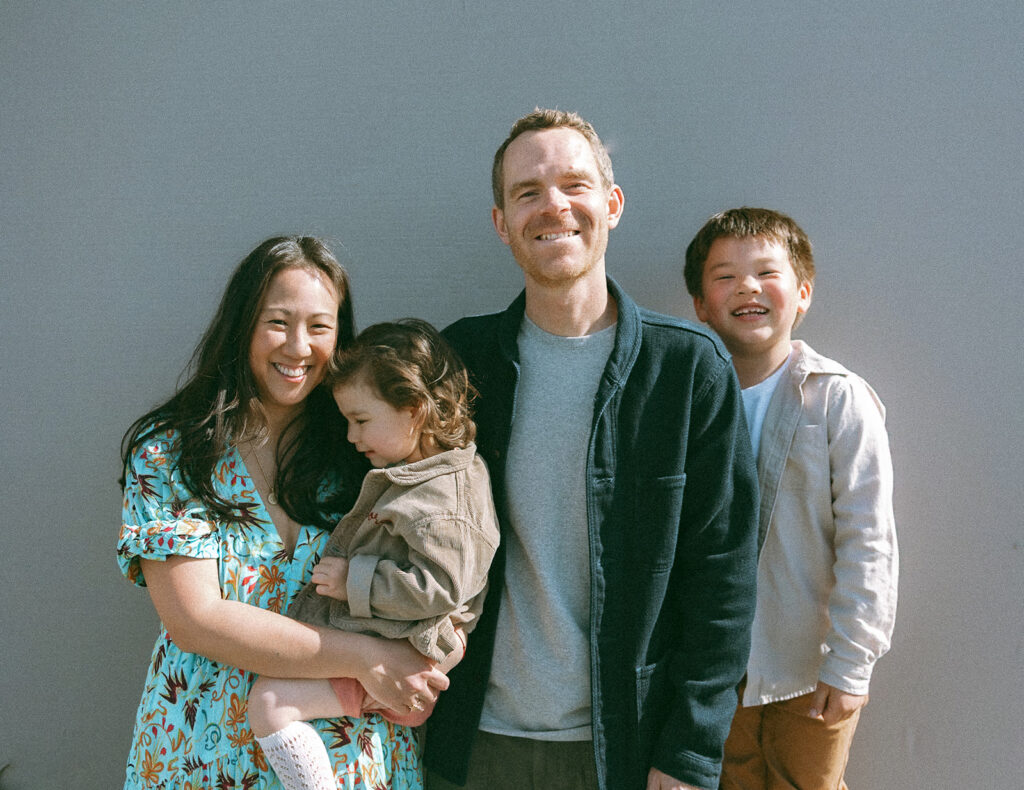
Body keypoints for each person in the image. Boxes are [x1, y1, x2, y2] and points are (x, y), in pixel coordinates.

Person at [423, 109, 760, 790]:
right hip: (476, 746)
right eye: (527, 192)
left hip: (627, 753)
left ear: (612, 205)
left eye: (574, 185)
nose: (553, 206)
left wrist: (690, 752)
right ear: (501, 223)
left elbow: (722, 576)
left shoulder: (685, 369)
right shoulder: (461, 361)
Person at [118, 237, 448, 789]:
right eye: (278, 322)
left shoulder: (359, 450)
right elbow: (194, 619)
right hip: (202, 753)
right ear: (243, 323)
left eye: (320, 327)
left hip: (348, 760)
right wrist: (369, 658)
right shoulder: (172, 450)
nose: (299, 347)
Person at [683, 207, 899, 789]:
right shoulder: (685, 400)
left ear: (802, 293)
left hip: (809, 671)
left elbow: (868, 539)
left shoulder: (836, 399)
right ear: (701, 305)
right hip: (712, 675)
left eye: (765, 273)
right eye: (724, 276)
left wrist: (852, 662)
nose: (747, 287)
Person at [247, 319, 500, 790]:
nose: (350, 436)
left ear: (414, 411)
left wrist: (353, 581)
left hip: (407, 653)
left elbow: (440, 588)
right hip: (394, 646)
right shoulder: (423, 476)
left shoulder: (446, 501)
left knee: (269, 703)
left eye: (361, 420)